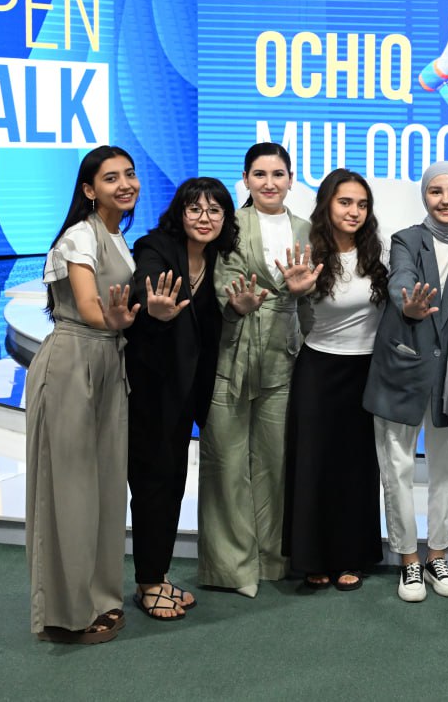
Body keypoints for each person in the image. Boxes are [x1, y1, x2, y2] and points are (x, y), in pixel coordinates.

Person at [26, 145, 143, 644]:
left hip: (108, 362)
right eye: (111, 177)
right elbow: (92, 308)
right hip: (73, 363)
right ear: (89, 190)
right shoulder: (80, 236)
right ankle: (66, 613)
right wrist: (111, 319)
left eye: (130, 174)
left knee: (106, 488)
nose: (125, 183)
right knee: (70, 490)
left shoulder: (117, 236)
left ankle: (100, 598)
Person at [198, 143, 319, 598]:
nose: (270, 183)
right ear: (245, 179)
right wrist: (235, 305)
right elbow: (217, 284)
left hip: (283, 358)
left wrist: (304, 295)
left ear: (291, 179)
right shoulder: (229, 225)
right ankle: (230, 567)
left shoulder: (306, 229)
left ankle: (273, 560)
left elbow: (311, 298)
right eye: (260, 174)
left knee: (275, 463)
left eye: (278, 174)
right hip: (230, 354)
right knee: (225, 463)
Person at [363, 162, 448, 602]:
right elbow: (401, 278)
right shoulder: (407, 239)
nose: (446, 199)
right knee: (397, 469)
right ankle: (409, 560)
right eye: (436, 191)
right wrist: (407, 305)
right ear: (425, 196)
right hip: (404, 369)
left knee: (446, 469)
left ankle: (437, 555)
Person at [125, 177, 239, 620]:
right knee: (153, 485)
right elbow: (146, 285)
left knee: (172, 484)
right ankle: (148, 583)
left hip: (186, 391)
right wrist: (154, 307)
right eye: (195, 209)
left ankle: (157, 574)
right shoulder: (156, 246)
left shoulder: (215, 257)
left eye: (214, 210)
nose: (204, 218)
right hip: (151, 390)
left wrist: (239, 309)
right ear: (180, 212)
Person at [285, 168, 388, 591]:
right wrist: (295, 292)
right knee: (315, 466)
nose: (354, 211)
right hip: (319, 370)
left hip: (366, 372)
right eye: (345, 202)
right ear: (327, 204)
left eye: (362, 204)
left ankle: (351, 556)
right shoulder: (308, 253)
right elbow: (290, 307)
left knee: (357, 468)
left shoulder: (378, 253)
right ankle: (313, 557)